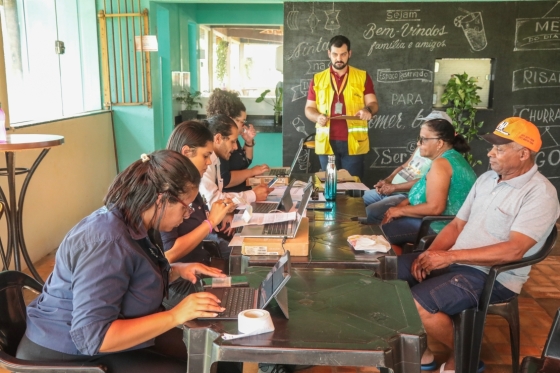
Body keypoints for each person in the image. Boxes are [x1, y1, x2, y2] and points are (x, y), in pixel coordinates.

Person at [16, 150, 228, 373]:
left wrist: (175, 270)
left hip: (105, 334)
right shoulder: (107, 241)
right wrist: (176, 314)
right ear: (161, 199)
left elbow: (129, 276)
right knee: (197, 366)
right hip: (67, 354)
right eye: (186, 207)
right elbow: (93, 337)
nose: (186, 215)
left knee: (212, 353)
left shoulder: (136, 220)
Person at [398, 117, 560, 373]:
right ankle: (423, 351)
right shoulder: (486, 179)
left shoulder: (540, 193)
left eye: (500, 148)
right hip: (457, 261)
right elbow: (456, 225)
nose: (490, 152)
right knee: (386, 277)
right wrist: (429, 254)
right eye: (492, 146)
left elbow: (514, 250)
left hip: (494, 275)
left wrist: (449, 257)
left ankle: (465, 357)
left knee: (417, 304)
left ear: (523, 154)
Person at [380, 116, 477, 249]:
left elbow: (435, 208)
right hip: (435, 223)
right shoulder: (449, 157)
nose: (418, 143)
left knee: (379, 235)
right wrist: (400, 208)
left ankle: (395, 267)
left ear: (439, 143)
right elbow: (423, 189)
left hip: (438, 228)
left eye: (424, 139)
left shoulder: (442, 163)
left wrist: (400, 211)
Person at [305, 35, 379, 179]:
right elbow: (309, 109)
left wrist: (368, 110)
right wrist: (317, 117)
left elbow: (373, 104)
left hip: (354, 143)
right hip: (326, 143)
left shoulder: (362, 76)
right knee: (329, 187)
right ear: (329, 54)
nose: (339, 58)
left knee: (352, 189)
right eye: (335, 54)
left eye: (343, 54)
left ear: (349, 54)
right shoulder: (317, 79)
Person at [361, 113, 447, 224]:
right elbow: (404, 166)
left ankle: (376, 238)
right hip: (391, 189)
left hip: (404, 195)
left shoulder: (441, 157)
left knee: (371, 212)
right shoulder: (421, 145)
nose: (426, 125)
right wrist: (387, 180)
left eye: (432, 124)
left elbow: (424, 182)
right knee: (355, 200)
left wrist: (394, 187)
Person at [199, 114, 273, 211]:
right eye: (232, 142)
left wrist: (228, 213)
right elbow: (214, 201)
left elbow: (218, 198)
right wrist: (252, 195)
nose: (236, 147)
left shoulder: (215, 159)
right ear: (218, 139)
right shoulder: (205, 161)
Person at [207, 88, 270, 192]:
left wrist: (248, 142)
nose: (243, 125)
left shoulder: (231, 139)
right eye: (242, 121)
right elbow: (225, 180)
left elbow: (245, 162)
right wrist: (252, 172)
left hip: (240, 194)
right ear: (230, 119)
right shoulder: (220, 145)